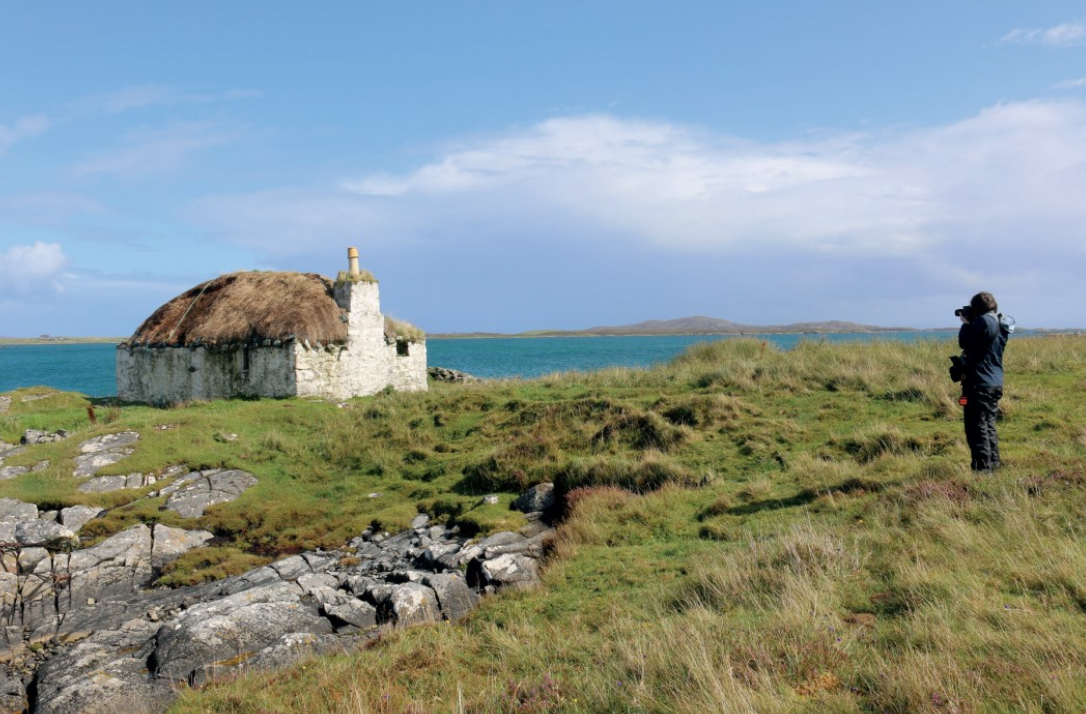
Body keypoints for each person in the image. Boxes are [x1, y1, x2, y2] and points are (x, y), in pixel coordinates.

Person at [957, 291, 1011, 472]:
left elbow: (964, 342)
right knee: (988, 425)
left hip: (978, 382)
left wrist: (966, 324)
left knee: (976, 428)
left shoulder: (981, 322)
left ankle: (982, 470)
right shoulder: (1000, 323)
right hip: (995, 382)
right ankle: (993, 467)